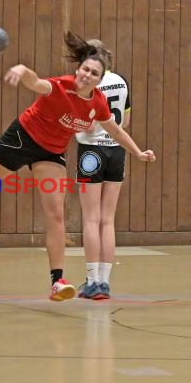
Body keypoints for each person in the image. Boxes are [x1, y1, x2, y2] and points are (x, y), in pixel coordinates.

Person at [0, 31, 155, 302]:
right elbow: (36, 83)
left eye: (94, 73)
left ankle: (57, 280)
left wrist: (138, 152)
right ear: (78, 69)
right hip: (22, 138)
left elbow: (116, 132)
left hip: (51, 153)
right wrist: (23, 70)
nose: (87, 75)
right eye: (85, 69)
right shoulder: (61, 86)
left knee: (56, 214)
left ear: (100, 80)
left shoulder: (97, 103)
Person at [75, 40, 131, 300]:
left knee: (91, 218)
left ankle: (91, 280)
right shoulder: (121, 82)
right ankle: (105, 283)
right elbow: (125, 121)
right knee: (108, 219)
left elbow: (86, 124)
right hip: (117, 151)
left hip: (91, 152)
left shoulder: (88, 85)